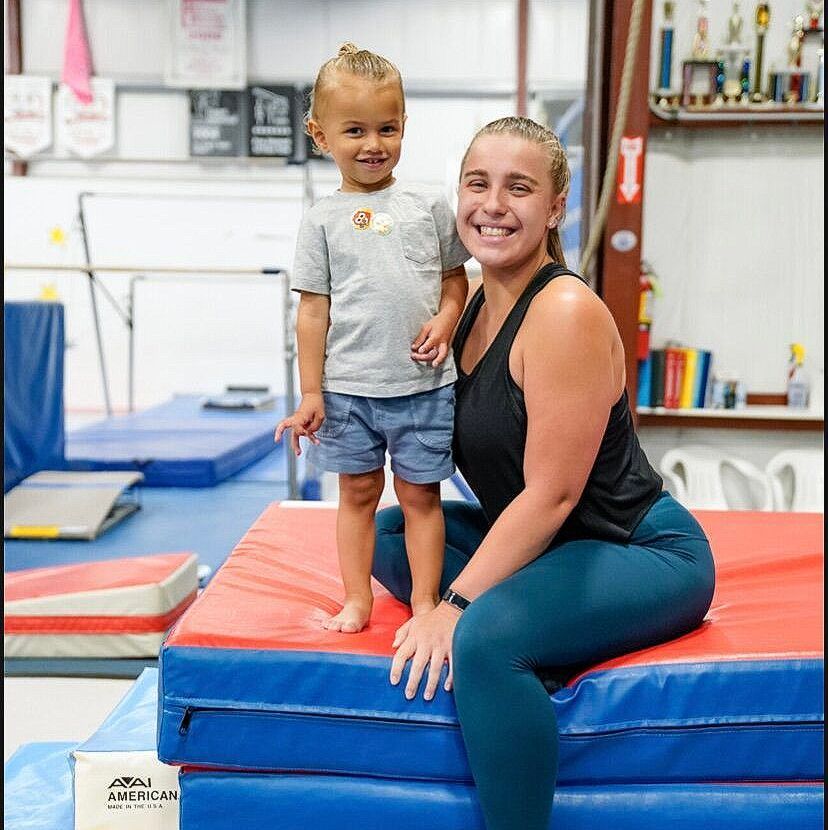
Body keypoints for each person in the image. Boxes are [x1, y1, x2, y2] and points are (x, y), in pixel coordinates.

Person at [372, 117, 716, 830]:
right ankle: (552, 635)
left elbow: (554, 495)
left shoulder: (563, 313)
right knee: (393, 534)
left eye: (519, 188)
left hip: (635, 547)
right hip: (553, 546)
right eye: (478, 183)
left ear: (557, 208)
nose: (493, 204)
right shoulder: (465, 311)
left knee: (487, 640)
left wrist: (454, 609)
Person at [275, 44, 470, 634]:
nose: (373, 144)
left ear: (405, 125)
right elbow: (313, 312)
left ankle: (426, 603)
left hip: (421, 386)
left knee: (420, 499)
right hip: (348, 390)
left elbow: (455, 280)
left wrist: (446, 320)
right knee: (356, 495)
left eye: (387, 128)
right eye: (354, 130)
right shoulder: (321, 219)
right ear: (320, 134)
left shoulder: (428, 204)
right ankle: (356, 600)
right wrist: (312, 393)